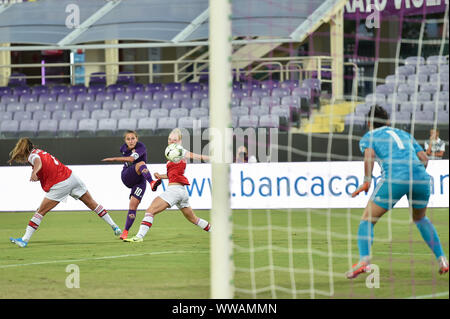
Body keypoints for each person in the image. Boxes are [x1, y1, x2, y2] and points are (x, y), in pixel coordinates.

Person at [347, 105, 448, 279]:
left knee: (367, 219)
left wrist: (366, 181)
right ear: (387, 121)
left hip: (395, 178)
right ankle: (442, 260)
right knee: (420, 218)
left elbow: (369, 155)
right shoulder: (404, 134)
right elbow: (424, 158)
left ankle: (364, 260)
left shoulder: (369, 137)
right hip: (421, 178)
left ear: (369, 122)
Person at [8, 138, 122, 248]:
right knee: (92, 204)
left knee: (40, 211)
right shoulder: (41, 152)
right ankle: (115, 227)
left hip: (60, 183)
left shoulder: (32, 156)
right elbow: (46, 168)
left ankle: (24, 240)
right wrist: (37, 175)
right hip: (72, 177)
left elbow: (38, 162)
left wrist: (34, 172)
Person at [124, 128, 211, 242]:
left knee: (150, 210)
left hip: (174, 191)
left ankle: (139, 237)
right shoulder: (172, 154)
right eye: (169, 140)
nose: (171, 142)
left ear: (180, 141)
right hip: (181, 191)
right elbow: (173, 174)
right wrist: (160, 176)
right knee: (193, 219)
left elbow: (195, 156)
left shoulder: (180, 151)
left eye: (174, 140)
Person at [101, 130, 162, 240]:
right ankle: (152, 182)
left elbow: (131, 159)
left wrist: (114, 159)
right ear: (125, 141)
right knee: (141, 164)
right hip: (127, 176)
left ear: (137, 139)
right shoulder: (123, 148)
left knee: (133, 206)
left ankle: (125, 232)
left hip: (140, 181)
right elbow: (129, 157)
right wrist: (128, 152)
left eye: (133, 138)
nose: (131, 141)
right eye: (128, 139)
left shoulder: (141, 147)